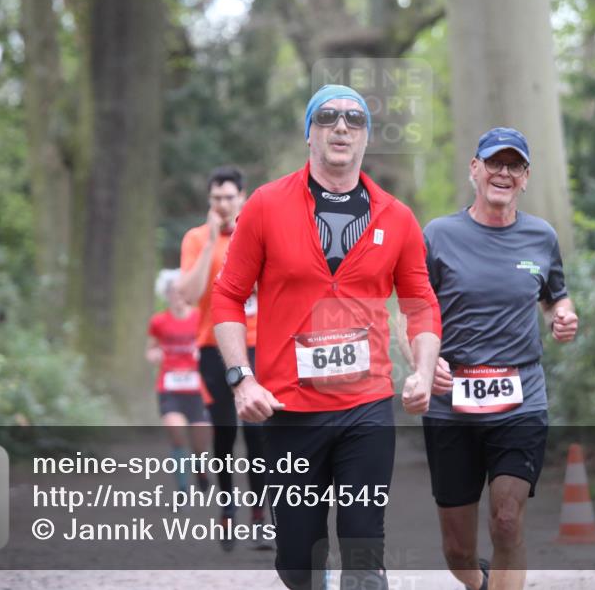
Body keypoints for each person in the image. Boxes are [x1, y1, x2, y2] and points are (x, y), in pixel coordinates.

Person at [211, 84, 442, 590]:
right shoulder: (267, 206)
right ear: (309, 134)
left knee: (364, 550)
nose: (342, 127)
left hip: (367, 406)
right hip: (289, 411)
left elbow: (420, 303)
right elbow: (227, 297)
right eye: (329, 117)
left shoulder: (396, 218)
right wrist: (240, 379)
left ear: (366, 138)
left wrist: (423, 371)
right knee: (298, 561)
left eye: (354, 119)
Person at [420, 128, 579, 590]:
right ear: (475, 169)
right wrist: (426, 361)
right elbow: (416, 308)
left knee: (507, 520)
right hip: (452, 401)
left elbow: (557, 298)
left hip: (520, 398)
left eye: (514, 166)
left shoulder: (540, 237)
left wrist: (563, 317)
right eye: (494, 163)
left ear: (526, 178)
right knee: (457, 551)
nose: (502, 173)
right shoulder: (439, 235)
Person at [178, 166, 268, 549]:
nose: (223, 204)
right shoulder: (197, 238)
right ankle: (229, 506)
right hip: (213, 346)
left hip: (259, 343)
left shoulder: (259, 232)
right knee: (225, 432)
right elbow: (189, 293)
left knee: (259, 432)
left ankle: (262, 515)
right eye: (216, 198)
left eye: (230, 197)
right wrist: (213, 239)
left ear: (242, 197)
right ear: (209, 201)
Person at [146, 269, 211, 493]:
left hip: (196, 388)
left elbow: (211, 343)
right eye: (172, 292)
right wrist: (155, 356)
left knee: (201, 441)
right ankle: (183, 488)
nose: (177, 296)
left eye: (181, 292)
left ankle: (201, 468)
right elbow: (151, 349)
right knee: (176, 431)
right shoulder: (159, 321)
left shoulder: (200, 317)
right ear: (167, 295)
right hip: (170, 386)